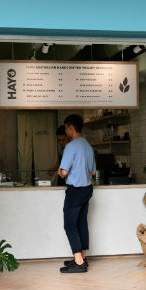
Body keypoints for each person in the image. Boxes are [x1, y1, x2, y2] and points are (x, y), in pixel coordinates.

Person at [58, 114, 96, 273]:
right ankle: (82, 257)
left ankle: (79, 262)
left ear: (71, 127)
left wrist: (60, 171)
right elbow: (93, 172)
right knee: (81, 223)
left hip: (75, 191)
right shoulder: (88, 146)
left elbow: (64, 172)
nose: (66, 131)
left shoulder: (71, 146)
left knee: (70, 225)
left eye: (66, 128)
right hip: (87, 189)